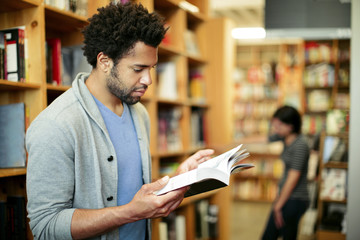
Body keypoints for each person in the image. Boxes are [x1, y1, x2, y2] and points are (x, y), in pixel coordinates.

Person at [25, 2, 214, 239]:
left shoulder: (139, 114)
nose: (148, 80)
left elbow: (131, 193)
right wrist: (130, 213)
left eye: (152, 68)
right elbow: (46, 226)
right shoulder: (55, 125)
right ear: (104, 62)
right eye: (138, 69)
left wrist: (176, 181)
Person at [261, 105, 310, 240]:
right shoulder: (285, 138)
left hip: (295, 199)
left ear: (290, 126)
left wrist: (278, 205)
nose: (275, 129)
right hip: (288, 198)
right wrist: (232, 143)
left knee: (271, 236)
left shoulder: (300, 144)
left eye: (279, 126)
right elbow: (262, 139)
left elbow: (293, 178)